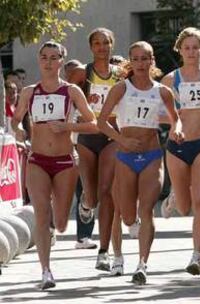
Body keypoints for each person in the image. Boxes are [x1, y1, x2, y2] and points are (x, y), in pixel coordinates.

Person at [11, 41, 96, 290]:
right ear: (39, 61)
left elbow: (93, 123)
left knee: (59, 222)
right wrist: (19, 133)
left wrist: (68, 126)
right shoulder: (29, 92)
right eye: (44, 57)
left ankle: (75, 212)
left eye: (54, 57)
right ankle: (46, 271)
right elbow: (15, 121)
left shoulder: (71, 92)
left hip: (65, 161)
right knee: (41, 214)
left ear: (61, 61)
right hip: (37, 160)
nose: (49, 62)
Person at [98, 41, 183, 284]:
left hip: (152, 155)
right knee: (123, 213)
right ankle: (118, 257)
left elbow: (175, 119)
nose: (141, 63)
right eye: (135, 59)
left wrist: (177, 130)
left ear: (152, 61)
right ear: (130, 62)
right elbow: (101, 122)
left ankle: (142, 264)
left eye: (145, 58)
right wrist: (121, 139)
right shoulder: (121, 89)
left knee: (146, 209)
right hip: (125, 156)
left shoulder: (162, 91)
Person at [161, 27, 200, 275]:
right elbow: (160, 114)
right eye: (187, 48)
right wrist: (174, 124)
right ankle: (174, 195)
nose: (192, 52)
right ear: (180, 50)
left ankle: (199, 254)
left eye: (196, 47)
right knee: (184, 207)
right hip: (177, 147)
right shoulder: (170, 80)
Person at [69, 28, 123, 274]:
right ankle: (86, 202)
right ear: (91, 47)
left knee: (107, 191)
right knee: (91, 195)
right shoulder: (82, 73)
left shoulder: (121, 74)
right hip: (88, 135)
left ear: (112, 45)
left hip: (111, 135)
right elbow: (67, 98)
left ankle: (103, 251)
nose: (102, 47)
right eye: (97, 43)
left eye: (106, 43)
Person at [64, 59, 97, 250]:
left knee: (84, 190)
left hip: (83, 146)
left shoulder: (86, 96)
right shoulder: (59, 93)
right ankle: (51, 228)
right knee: (60, 192)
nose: (74, 78)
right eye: (70, 74)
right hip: (63, 149)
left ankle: (83, 236)